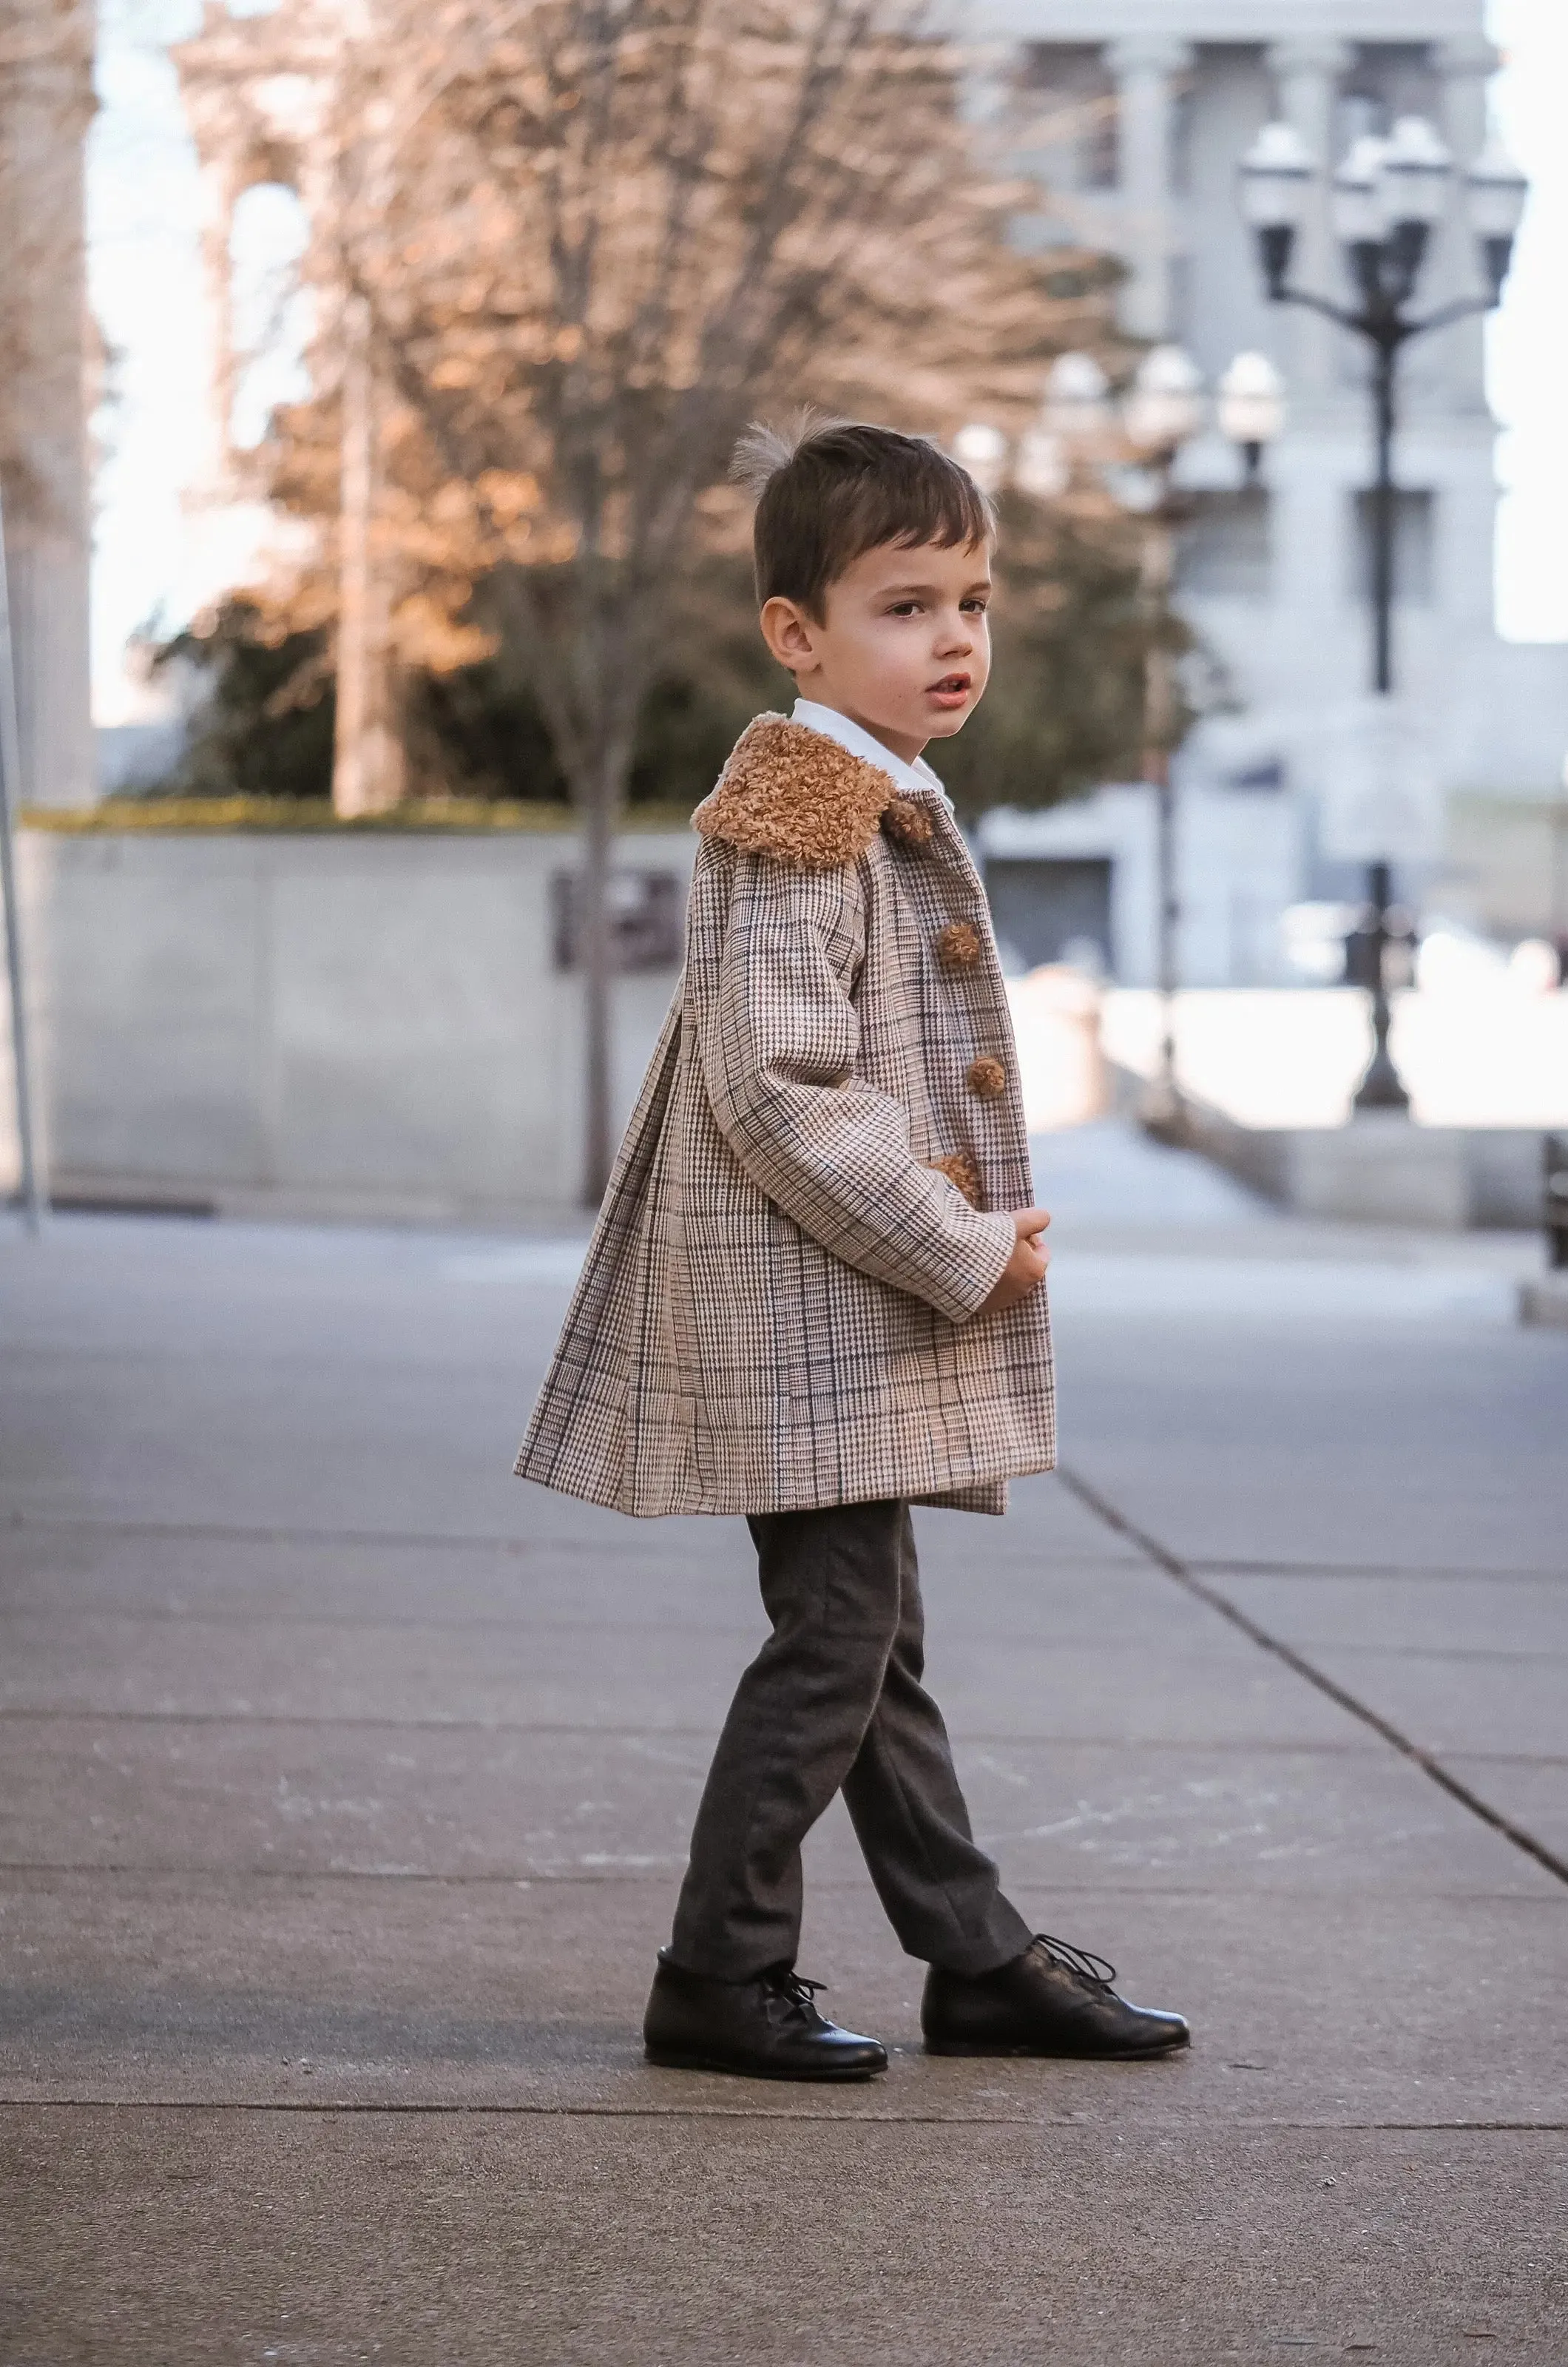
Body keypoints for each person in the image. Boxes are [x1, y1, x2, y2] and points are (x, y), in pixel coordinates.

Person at [516, 417, 1189, 2081]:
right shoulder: (800, 813)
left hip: (840, 1304)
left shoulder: (879, 791)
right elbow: (784, 1088)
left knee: (869, 1636)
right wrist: (967, 1247)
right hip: (808, 1303)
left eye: (973, 600)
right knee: (834, 1635)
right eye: (906, 606)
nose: (954, 637)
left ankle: (972, 1951)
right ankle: (717, 1966)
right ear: (797, 634)